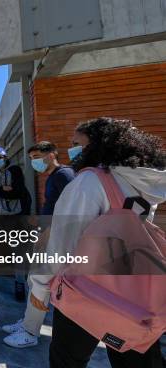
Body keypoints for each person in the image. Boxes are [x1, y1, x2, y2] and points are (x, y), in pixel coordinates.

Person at [28, 118, 165, 367]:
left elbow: (63, 244)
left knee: (67, 359)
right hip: (133, 290)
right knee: (136, 355)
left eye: (77, 143)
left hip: (85, 288)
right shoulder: (144, 183)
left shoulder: (89, 182)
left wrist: (39, 286)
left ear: (99, 145)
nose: (73, 149)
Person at [2, 141, 75, 348]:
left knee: (39, 283)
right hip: (50, 235)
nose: (34, 162)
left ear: (51, 154)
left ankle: (29, 332)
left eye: (36, 157)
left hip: (56, 239)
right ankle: (27, 322)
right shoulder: (54, 176)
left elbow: (70, 210)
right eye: (31, 158)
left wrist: (47, 233)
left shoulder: (63, 175)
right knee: (35, 282)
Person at [0, 147, 32, 301]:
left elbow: (18, 192)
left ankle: (19, 283)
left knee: (17, 250)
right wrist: (2, 189)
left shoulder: (15, 170)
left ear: (5, 156)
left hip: (14, 216)